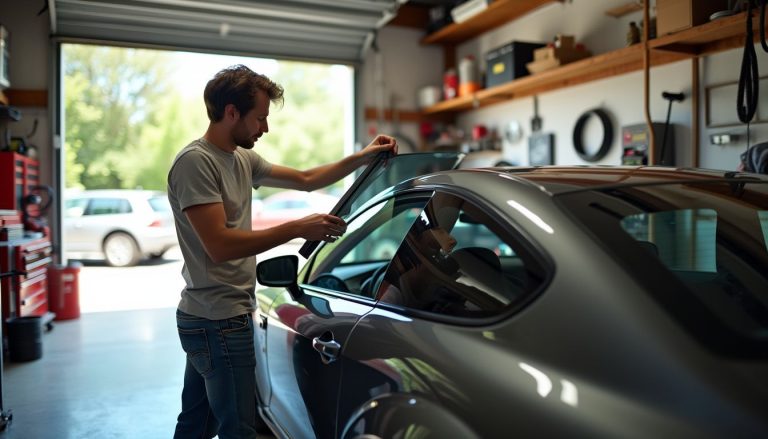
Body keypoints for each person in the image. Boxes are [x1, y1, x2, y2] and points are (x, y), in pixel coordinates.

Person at [166, 64, 397, 439]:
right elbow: (220, 246)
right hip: (217, 318)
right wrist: (296, 228)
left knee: (196, 423)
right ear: (231, 113)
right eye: (260, 118)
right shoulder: (197, 163)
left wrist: (364, 156)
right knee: (238, 428)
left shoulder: (240, 158)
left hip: (216, 315)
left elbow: (306, 180)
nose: (265, 128)